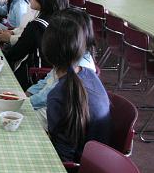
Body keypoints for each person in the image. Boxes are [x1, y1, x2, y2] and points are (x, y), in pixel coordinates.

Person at [44, 10, 111, 162]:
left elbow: (63, 155)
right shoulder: (89, 74)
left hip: (77, 168)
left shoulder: (58, 94)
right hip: (99, 161)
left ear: (47, 53)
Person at [27, 8, 97, 125]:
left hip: (56, 114)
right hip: (49, 107)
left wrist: (25, 103)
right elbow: (47, 80)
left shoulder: (78, 68)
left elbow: (48, 96)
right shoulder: (69, 56)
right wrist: (28, 93)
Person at [5, 0, 68, 90]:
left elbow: (16, 53)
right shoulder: (66, 20)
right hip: (61, 78)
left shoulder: (36, 26)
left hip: (36, 79)